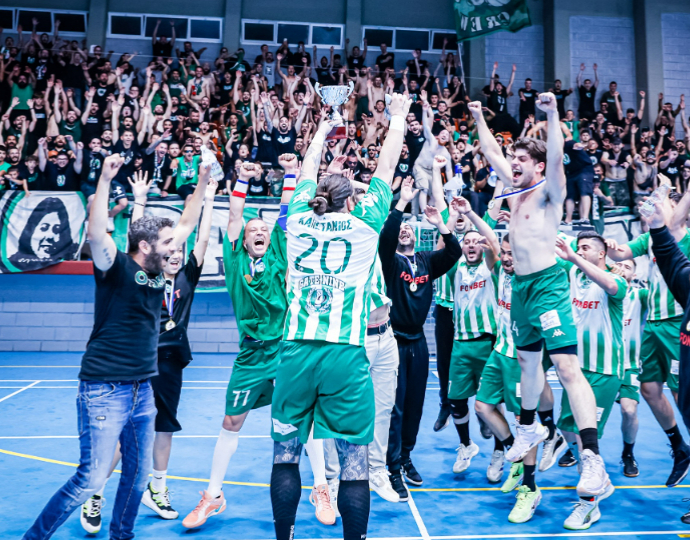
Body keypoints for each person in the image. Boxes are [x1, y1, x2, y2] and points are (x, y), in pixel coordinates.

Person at [22, 154, 209, 540]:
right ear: (144, 245)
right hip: (104, 388)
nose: (175, 247)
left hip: (143, 388)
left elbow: (188, 223)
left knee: (137, 475)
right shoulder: (116, 267)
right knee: (90, 478)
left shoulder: (158, 270)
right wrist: (105, 181)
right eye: (167, 242)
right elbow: (96, 235)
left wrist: (204, 179)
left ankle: (121, 535)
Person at [268, 94, 409, 540]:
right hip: (346, 355)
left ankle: (284, 536)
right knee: (354, 463)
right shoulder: (365, 225)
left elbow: (306, 169)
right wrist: (398, 117)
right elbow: (386, 167)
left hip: (295, 352)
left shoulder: (296, 218)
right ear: (351, 201)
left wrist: (324, 128)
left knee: (285, 457)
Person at [469, 94, 610, 506]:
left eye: (521, 159)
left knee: (566, 368)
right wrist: (477, 117)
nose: (512, 163)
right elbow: (491, 151)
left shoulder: (549, 190)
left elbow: (555, 159)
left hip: (548, 285)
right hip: (521, 289)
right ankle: (529, 427)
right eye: (512, 158)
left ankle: (591, 455)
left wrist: (551, 115)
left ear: (538, 166)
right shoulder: (513, 191)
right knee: (528, 364)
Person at [182, 155, 333, 528]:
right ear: (244, 240)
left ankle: (321, 486)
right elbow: (234, 216)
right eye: (253, 230)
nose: (259, 232)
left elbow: (285, 213)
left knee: (304, 419)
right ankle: (213, 495)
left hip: (285, 351)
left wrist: (291, 174)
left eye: (263, 229)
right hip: (250, 356)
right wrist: (243, 179)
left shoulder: (279, 252)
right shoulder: (235, 262)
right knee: (231, 421)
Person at [79, 168, 217, 531]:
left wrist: (205, 190)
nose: (174, 251)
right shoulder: (141, 273)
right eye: (169, 246)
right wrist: (135, 199)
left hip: (171, 361)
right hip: (137, 361)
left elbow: (195, 230)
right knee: (124, 436)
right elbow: (134, 240)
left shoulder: (184, 277)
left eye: (177, 247)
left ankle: (156, 489)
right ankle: (95, 493)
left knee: (164, 427)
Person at [379, 164, 462, 499]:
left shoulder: (427, 261)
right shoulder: (390, 263)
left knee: (414, 405)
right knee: (395, 407)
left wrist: (442, 225)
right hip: (394, 341)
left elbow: (454, 252)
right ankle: (392, 465)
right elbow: (386, 238)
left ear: (417, 236)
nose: (404, 232)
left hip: (419, 344)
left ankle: (406, 457)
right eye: (401, 229)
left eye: (409, 229)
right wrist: (401, 204)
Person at [605, 186, 690, 487]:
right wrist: (610, 247)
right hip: (653, 325)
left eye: (662, 203)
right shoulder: (650, 239)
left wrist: (670, 189)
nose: (654, 206)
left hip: (678, 322)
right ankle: (680, 448)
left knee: (682, 394)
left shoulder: (685, 237)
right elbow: (619, 253)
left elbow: (675, 221)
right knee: (649, 390)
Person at [554, 231, 625, 529]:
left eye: (586, 248)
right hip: (575, 370)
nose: (580, 251)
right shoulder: (574, 273)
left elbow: (611, 285)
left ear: (601, 254)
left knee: (586, 437)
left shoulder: (617, 279)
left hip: (604, 370)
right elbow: (551, 235)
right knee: (566, 428)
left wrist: (574, 256)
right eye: (578, 247)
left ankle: (588, 506)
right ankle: (598, 477)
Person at [640, 194, 690, 524]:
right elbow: (669, 255)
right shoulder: (685, 279)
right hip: (659, 326)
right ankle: (680, 447)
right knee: (658, 391)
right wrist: (656, 225)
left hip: (672, 326)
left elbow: (674, 233)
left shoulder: (684, 235)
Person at [615, 258, 647, 478]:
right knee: (587, 412)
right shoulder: (598, 292)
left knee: (629, 410)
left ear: (634, 275)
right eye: (618, 265)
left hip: (630, 365)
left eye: (627, 267)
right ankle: (576, 448)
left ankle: (628, 453)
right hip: (600, 365)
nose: (622, 269)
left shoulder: (639, 296)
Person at [5, 196, 79, 272]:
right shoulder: (9, 263)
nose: (50, 236)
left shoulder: (69, 262)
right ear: (31, 230)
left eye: (56, 229)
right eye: (44, 228)